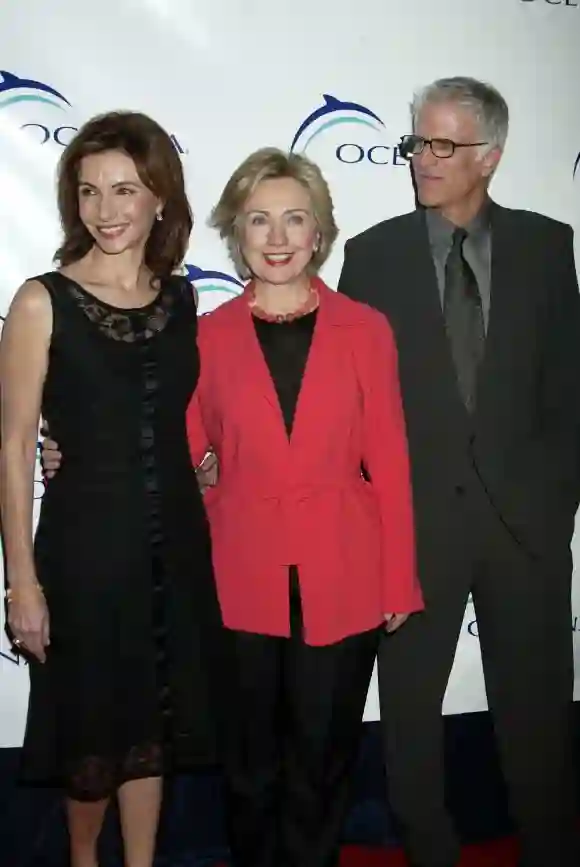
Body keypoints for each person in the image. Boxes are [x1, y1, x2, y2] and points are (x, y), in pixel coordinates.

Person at [42, 145, 423, 866]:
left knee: (323, 758)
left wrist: (400, 576)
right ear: (237, 234)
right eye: (258, 221)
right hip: (235, 574)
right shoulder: (205, 334)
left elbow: (394, 459)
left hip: (344, 570)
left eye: (294, 220)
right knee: (248, 765)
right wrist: (75, 452)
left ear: (320, 232)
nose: (277, 239)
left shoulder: (366, 329)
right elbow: (163, 443)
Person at [336, 77, 580, 867]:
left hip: (526, 534)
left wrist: (552, 506)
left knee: (539, 719)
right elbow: (351, 404)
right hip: (414, 536)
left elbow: (568, 391)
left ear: (491, 158)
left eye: (444, 145)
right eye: (418, 142)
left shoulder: (548, 246)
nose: (422, 160)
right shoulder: (371, 256)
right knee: (408, 719)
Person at [0, 111, 224, 867]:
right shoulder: (41, 301)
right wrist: (21, 584)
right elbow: (12, 445)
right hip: (84, 551)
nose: (106, 210)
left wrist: (206, 461)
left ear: (160, 195)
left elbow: (180, 415)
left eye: (125, 190)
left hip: (176, 547)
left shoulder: (184, 301)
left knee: (152, 730)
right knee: (93, 734)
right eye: (90, 191)